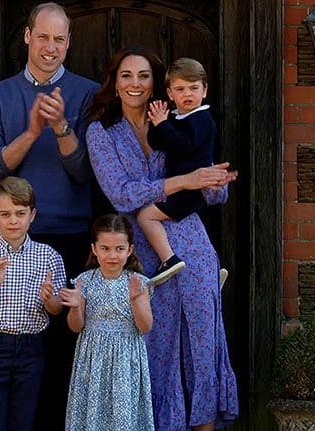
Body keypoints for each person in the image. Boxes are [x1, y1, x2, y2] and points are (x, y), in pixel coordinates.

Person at [85, 46, 239, 431]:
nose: (135, 84)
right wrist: (185, 181)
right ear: (114, 83)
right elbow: (121, 194)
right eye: (126, 76)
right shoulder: (101, 131)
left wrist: (215, 181)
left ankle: (205, 425)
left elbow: (210, 190)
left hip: (191, 237)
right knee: (156, 344)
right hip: (141, 248)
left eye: (143, 76)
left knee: (203, 340)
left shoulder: (177, 118)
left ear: (158, 85)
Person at [0, 3, 99, 428]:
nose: (50, 47)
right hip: (9, 240)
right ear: (27, 36)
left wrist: (62, 127)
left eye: (59, 39)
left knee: (61, 354)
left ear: (69, 42)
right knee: (4, 355)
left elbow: (85, 173)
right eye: (42, 37)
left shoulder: (88, 94)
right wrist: (30, 132)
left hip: (67, 238)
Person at [0, 176, 65, 431]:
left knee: (23, 420)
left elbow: (57, 309)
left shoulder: (48, 256)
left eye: (20, 213)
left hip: (31, 346)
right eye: (5, 214)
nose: (13, 221)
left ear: (32, 215)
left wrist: (49, 298)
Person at [139, 57, 236, 286]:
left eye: (194, 88)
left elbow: (185, 145)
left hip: (189, 190)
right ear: (170, 94)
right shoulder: (178, 117)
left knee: (146, 216)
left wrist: (163, 124)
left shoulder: (202, 118)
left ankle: (168, 260)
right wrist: (156, 123)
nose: (187, 94)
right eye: (180, 89)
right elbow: (157, 142)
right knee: (194, 231)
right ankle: (210, 274)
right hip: (181, 187)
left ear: (204, 90)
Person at [59, 214, 155, 431]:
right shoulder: (85, 281)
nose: (112, 255)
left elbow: (145, 327)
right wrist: (75, 306)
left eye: (119, 249)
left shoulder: (138, 283)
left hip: (126, 360)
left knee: (123, 417)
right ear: (94, 248)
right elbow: (75, 327)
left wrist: (136, 301)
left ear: (129, 249)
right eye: (105, 248)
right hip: (93, 359)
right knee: (92, 415)